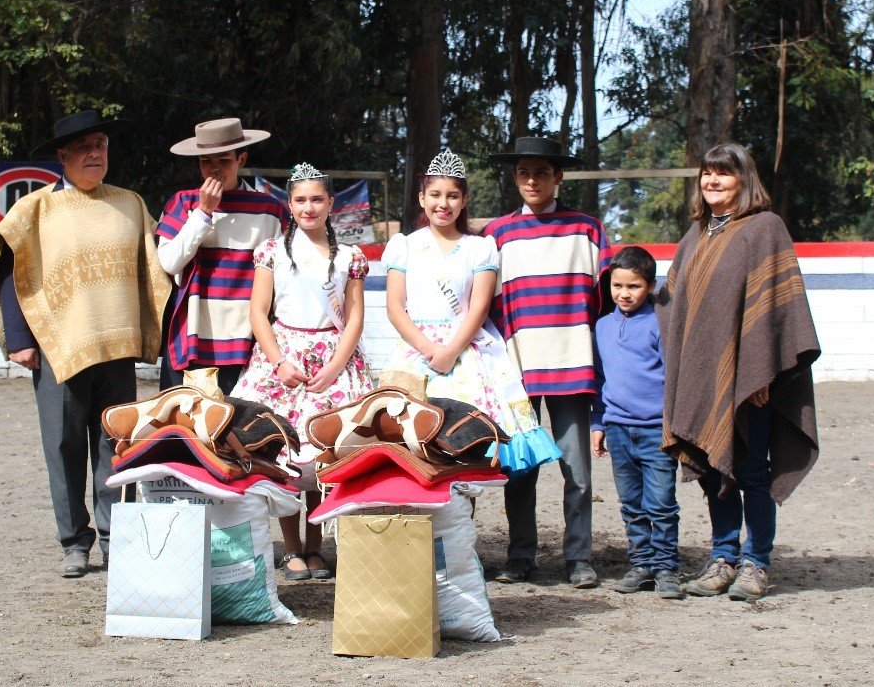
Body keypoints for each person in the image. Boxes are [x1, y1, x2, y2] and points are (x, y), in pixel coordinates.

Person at [0, 110, 171, 578]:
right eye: (83, 147)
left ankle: (114, 538)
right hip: (57, 348)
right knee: (63, 448)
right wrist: (18, 341)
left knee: (117, 446)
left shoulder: (130, 203)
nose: (94, 153)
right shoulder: (35, 209)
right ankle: (74, 542)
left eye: (100, 144)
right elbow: (7, 271)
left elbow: (156, 267)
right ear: (62, 156)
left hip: (117, 346)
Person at [657, 141, 821, 603]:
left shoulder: (765, 229)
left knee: (751, 470)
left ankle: (756, 563)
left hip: (752, 379)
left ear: (743, 180)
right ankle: (723, 558)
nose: (712, 181)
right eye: (707, 174)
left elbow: (775, 312)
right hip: (703, 377)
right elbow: (675, 308)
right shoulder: (696, 234)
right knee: (714, 468)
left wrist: (764, 373)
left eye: (723, 174)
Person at [229, 163, 374, 581]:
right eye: (300, 200)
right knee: (284, 454)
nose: (308, 207)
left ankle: (317, 547)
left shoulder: (350, 257)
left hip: (334, 360)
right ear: (289, 205)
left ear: (331, 204)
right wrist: (278, 361)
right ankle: (291, 547)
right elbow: (258, 311)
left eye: (317, 199)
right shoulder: (272, 252)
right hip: (284, 360)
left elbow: (357, 317)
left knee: (324, 455)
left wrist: (335, 367)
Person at [482, 136, 613, 589]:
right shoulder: (497, 234)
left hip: (574, 367)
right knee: (519, 469)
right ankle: (521, 556)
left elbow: (608, 298)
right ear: (515, 178)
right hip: (517, 371)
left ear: (559, 176)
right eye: (523, 172)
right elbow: (486, 302)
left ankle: (579, 556)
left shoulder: (587, 229)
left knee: (577, 470)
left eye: (541, 172)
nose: (532, 180)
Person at [381, 148, 560, 475]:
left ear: (464, 200)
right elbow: (395, 307)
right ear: (422, 199)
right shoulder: (404, 245)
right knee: (415, 444)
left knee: (470, 445)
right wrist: (429, 349)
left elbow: (479, 308)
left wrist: (449, 351)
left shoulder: (480, 247)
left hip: (466, 351)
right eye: (434, 194)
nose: (443, 203)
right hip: (416, 351)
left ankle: (465, 523)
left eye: (452, 195)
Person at [158, 118, 288, 393]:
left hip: (249, 337)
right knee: (186, 428)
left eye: (224, 160)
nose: (214, 169)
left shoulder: (270, 209)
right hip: (194, 332)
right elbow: (169, 263)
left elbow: (285, 275)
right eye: (206, 161)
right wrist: (203, 212)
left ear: (241, 159)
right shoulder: (184, 202)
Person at [590, 246, 683, 599]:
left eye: (634, 287)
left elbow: (673, 376)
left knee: (660, 503)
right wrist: (598, 424)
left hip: (656, 431)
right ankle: (641, 564)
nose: (624, 294)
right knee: (631, 503)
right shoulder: (601, 326)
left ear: (651, 286)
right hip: (617, 431)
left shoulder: (660, 324)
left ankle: (666, 568)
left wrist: (672, 424)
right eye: (618, 286)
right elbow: (600, 380)